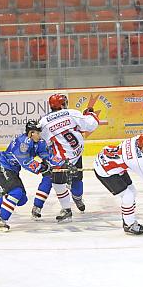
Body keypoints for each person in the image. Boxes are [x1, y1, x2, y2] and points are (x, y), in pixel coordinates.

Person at [0, 120, 53, 232]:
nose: (39, 135)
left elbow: (45, 155)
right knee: (16, 192)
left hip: (11, 170)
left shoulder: (38, 142)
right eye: (37, 133)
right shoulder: (22, 142)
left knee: (22, 199)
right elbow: (26, 162)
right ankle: (1, 221)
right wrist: (42, 168)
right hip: (1, 165)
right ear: (30, 133)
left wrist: (53, 163)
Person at [37, 93, 100, 223]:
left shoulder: (43, 121)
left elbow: (40, 140)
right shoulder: (72, 113)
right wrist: (90, 114)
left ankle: (64, 209)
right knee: (77, 179)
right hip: (76, 153)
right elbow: (92, 125)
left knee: (56, 183)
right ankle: (78, 199)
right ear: (63, 104)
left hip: (61, 158)